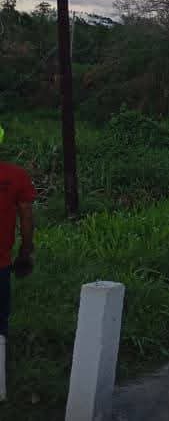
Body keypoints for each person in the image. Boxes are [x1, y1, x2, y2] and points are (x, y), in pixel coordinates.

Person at [0, 123, 36, 400]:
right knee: (0, 323)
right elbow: (26, 217)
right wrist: (26, 251)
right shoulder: (16, 176)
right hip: (1, 264)